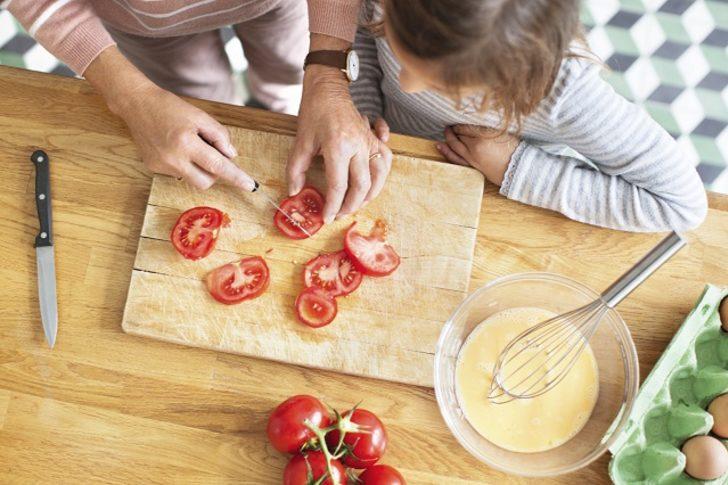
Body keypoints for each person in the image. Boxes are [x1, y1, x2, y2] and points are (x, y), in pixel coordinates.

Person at [7, 0, 384, 224]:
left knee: (285, 75)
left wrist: (327, 75)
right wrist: (132, 98)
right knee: (198, 96)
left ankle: (279, 108)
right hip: (146, 25)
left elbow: (317, 74)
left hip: (278, 6)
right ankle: (225, 129)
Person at [349, 0, 708, 232]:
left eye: (444, 86)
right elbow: (361, 27)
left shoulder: (565, 94)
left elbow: (681, 204)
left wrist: (516, 168)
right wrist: (359, 109)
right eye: (400, 49)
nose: (406, 85)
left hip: (502, 205)